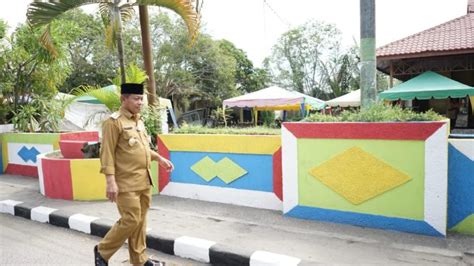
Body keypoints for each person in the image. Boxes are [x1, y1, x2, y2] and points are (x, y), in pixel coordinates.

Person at [94, 83, 174, 266]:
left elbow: (143, 149)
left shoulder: (138, 121)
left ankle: (139, 260)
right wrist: (110, 182)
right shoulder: (113, 122)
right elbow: (106, 154)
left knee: (140, 222)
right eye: (136, 99)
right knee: (131, 220)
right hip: (125, 183)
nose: (140, 103)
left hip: (144, 181)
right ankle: (102, 251)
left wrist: (159, 158)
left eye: (141, 99)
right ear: (124, 99)